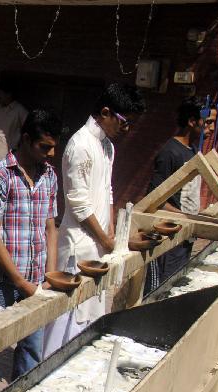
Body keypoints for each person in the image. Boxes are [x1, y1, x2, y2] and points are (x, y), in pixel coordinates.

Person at [42, 84, 145, 358]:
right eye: (124, 123)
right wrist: (105, 239)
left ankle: (78, 362)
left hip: (99, 243)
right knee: (68, 316)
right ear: (105, 112)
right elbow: (78, 203)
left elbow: (108, 189)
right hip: (78, 244)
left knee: (92, 310)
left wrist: (111, 231)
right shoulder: (80, 145)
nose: (127, 129)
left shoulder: (107, 147)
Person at [0, 109, 62, 392]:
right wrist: (21, 282)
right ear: (25, 139)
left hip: (37, 281)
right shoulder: (1, 175)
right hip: (3, 282)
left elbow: (50, 227)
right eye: (44, 147)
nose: (50, 154)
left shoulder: (49, 176)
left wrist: (48, 275)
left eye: (53, 147)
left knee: (31, 348)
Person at [144, 97, 216, 293]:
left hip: (185, 235)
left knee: (175, 286)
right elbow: (154, 200)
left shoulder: (192, 152)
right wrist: (186, 218)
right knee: (160, 290)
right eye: (208, 122)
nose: (211, 128)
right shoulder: (170, 153)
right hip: (170, 237)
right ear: (192, 121)